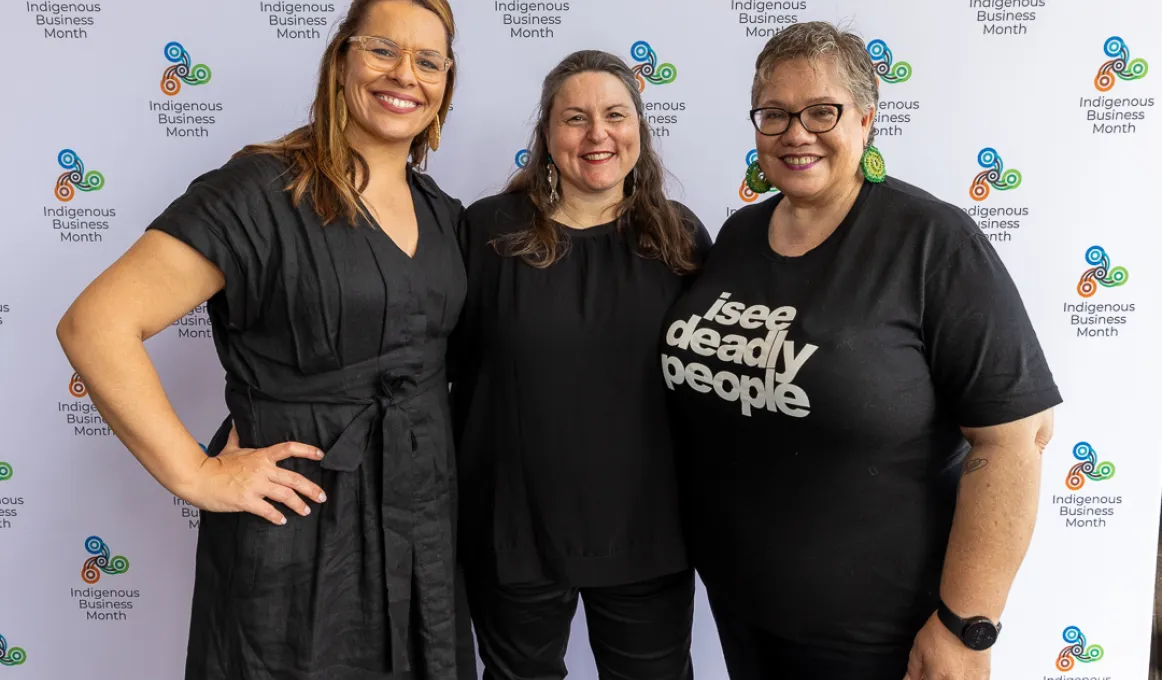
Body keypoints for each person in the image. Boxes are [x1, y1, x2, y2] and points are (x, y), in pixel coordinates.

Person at [55, 1, 475, 678]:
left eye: (429, 61)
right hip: (299, 524)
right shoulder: (260, 191)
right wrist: (195, 473)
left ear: (445, 84)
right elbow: (95, 323)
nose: (406, 74)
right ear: (341, 61)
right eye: (382, 49)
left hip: (419, 519)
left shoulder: (443, 214)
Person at [659, 21, 1061, 680]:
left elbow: (1014, 439)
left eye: (823, 112)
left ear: (866, 120)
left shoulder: (932, 242)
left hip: (879, 636)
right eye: (775, 114)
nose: (797, 133)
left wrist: (967, 628)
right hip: (742, 610)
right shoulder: (736, 234)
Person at [449, 50, 712, 680]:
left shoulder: (681, 239)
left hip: (647, 534)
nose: (598, 134)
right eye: (575, 118)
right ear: (545, 136)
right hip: (514, 533)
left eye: (615, 115)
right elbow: (433, 362)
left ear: (639, 131)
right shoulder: (487, 231)